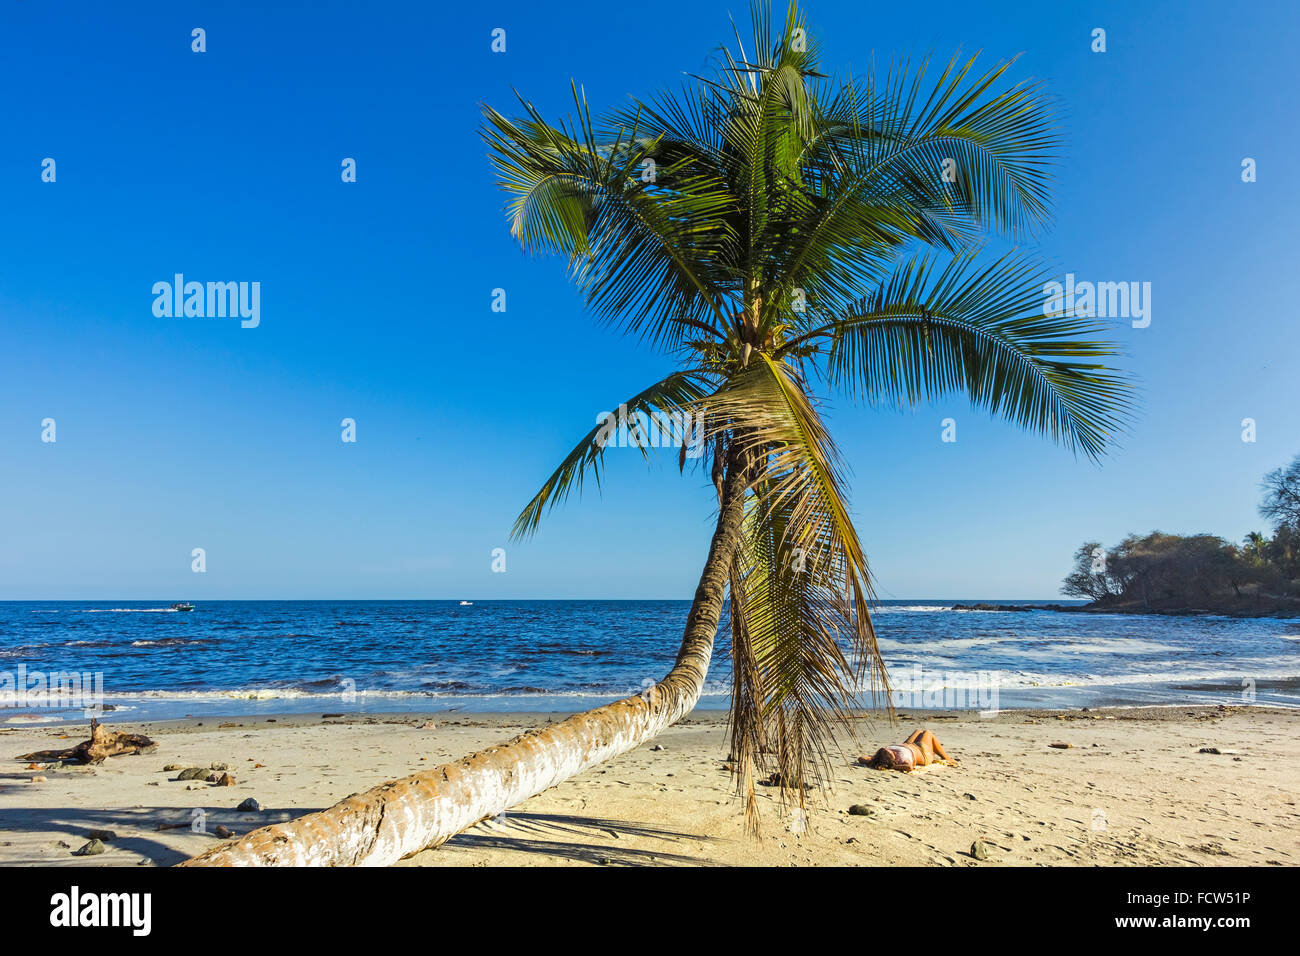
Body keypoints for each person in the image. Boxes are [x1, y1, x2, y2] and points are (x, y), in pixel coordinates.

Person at [860, 729, 957, 771]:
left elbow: (861, 758)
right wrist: (891, 767)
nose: (886, 748)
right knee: (927, 733)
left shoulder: (880, 758)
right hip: (922, 752)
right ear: (891, 757)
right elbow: (909, 767)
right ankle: (947, 758)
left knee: (918, 731)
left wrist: (873, 760)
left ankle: (945, 757)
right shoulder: (902, 759)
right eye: (888, 751)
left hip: (909, 745)